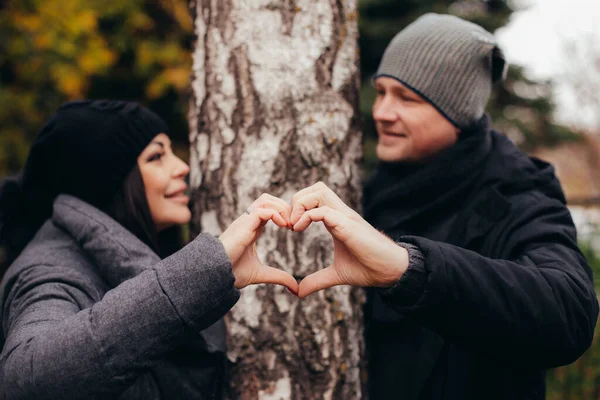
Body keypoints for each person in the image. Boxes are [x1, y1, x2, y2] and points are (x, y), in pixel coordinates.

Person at [287, 13, 599, 400]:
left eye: (407, 98)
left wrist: (409, 269)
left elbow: (569, 314)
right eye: (381, 91)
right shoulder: (367, 187)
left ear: (459, 113)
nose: (382, 112)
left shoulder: (517, 191)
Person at [0, 99, 298, 399]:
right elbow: (25, 379)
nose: (182, 167)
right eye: (156, 156)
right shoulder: (49, 271)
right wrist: (204, 269)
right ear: (104, 180)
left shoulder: (138, 248)